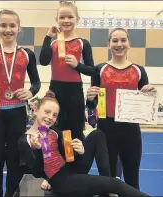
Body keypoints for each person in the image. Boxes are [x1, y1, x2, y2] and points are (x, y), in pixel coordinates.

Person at [67, 27, 156, 189]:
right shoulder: (100, 70)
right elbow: (94, 107)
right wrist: (90, 99)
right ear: (109, 44)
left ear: (129, 44)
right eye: (115, 40)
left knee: (132, 178)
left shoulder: (139, 70)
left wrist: (150, 93)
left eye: (123, 40)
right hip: (106, 129)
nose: (119, 44)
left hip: (131, 130)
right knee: (108, 179)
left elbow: (145, 100)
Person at [18, 91, 149, 197]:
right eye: (47, 112)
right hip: (62, 181)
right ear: (35, 110)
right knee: (115, 184)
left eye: (54, 115)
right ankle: (109, 187)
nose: (50, 117)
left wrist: (79, 151)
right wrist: (37, 150)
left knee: (97, 134)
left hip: (71, 169)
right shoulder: (25, 141)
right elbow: (36, 172)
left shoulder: (53, 132)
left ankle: (106, 181)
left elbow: (66, 157)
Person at [0, 9, 41, 197]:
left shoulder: (27, 54)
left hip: (17, 112)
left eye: (12, 25)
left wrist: (31, 91)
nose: (8, 29)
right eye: (3, 25)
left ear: (19, 28)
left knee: (14, 159)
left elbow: (36, 82)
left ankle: (12, 193)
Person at [39, 1, 94, 141]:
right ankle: (52, 161)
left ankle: (73, 161)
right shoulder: (53, 42)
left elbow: (92, 70)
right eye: (62, 17)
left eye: (70, 17)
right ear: (57, 20)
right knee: (52, 128)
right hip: (55, 90)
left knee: (74, 130)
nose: (66, 20)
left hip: (74, 92)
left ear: (77, 19)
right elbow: (43, 61)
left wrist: (77, 65)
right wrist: (47, 37)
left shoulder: (83, 43)